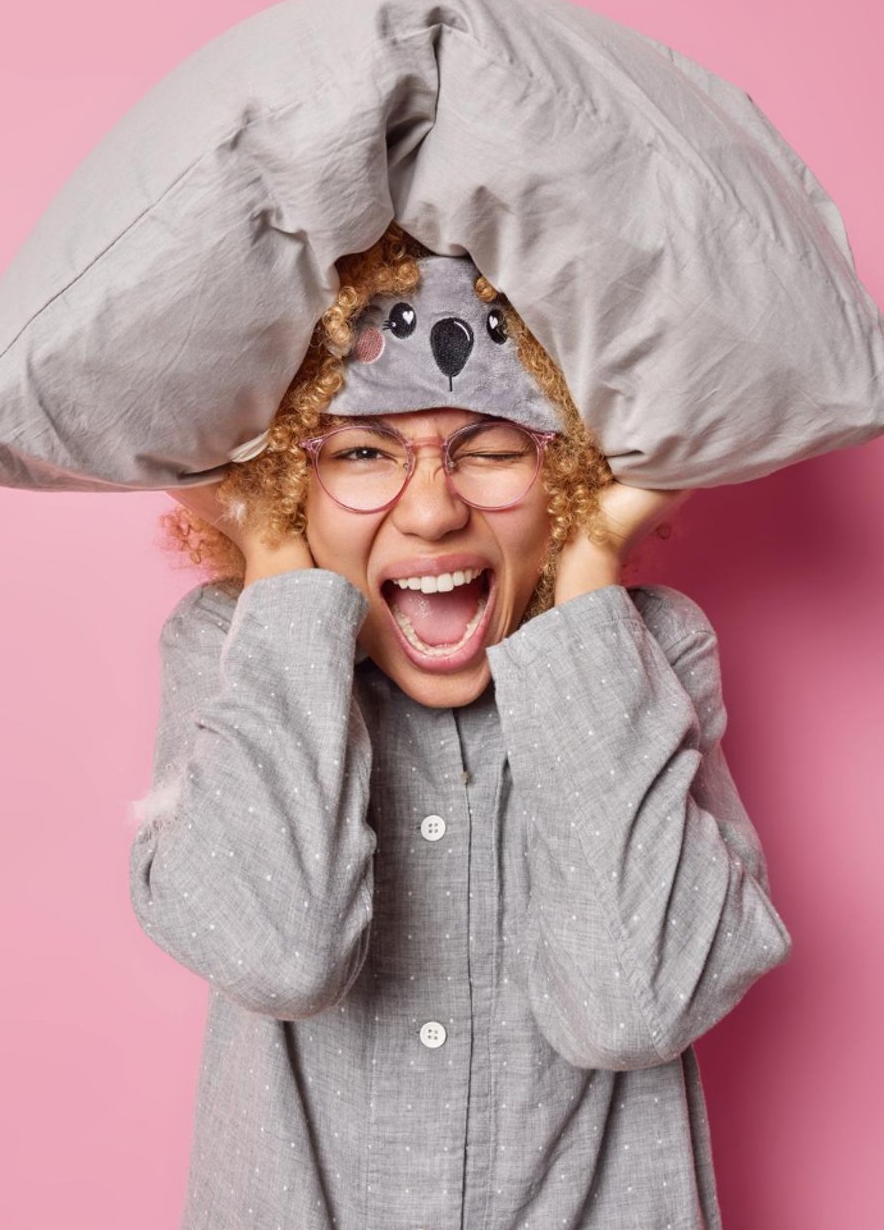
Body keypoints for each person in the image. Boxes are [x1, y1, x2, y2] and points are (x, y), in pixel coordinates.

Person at [129, 223, 794, 1228]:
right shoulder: (231, 646)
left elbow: (634, 998)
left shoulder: (652, 653)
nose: (433, 510)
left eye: (491, 447)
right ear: (291, 477)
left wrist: (589, 566)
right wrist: (273, 548)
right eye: (360, 450)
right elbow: (277, 948)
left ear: (569, 472)